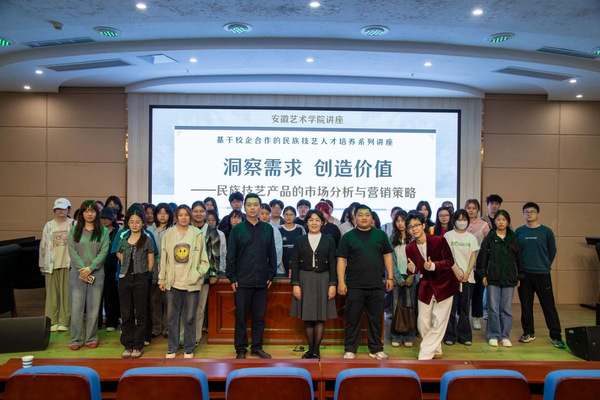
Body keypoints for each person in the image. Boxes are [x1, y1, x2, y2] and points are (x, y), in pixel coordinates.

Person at [336, 204, 394, 360]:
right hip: (355, 285)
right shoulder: (348, 237)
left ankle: (376, 349)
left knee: (376, 319)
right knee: (352, 319)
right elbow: (341, 260)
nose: (364, 218)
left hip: (376, 284)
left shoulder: (380, 235)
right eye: (360, 215)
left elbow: (387, 255)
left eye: (367, 215)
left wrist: (390, 277)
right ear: (354, 217)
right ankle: (350, 349)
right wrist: (341, 281)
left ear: (371, 217)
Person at [226, 193, 277, 359]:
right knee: (241, 317)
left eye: (256, 205)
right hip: (242, 281)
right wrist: (232, 278)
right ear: (244, 207)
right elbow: (230, 256)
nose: (253, 208)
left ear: (260, 207)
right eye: (249, 205)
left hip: (262, 280)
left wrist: (271, 274)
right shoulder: (237, 230)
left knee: (259, 317)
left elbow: (272, 254)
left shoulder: (267, 229)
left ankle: (257, 347)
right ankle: (241, 349)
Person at [405, 211, 458, 360]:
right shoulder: (410, 248)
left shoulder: (439, 240)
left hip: (444, 284)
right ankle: (436, 349)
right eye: (410, 227)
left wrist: (434, 265)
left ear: (423, 225)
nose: (414, 229)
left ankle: (425, 354)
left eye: (416, 225)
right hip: (426, 285)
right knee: (422, 322)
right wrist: (412, 269)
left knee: (439, 320)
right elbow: (414, 269)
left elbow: (449, 261)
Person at [158, 205, 209, 359]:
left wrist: (196, 274)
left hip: (191, 283)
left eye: (186, 215)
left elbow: (204, 261)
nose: (183, 217)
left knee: (190, 317)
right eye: (180, 215)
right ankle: (172, 348)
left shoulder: (197, 234)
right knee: (172, 318)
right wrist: (162, 278)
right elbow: (164, 258)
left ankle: (189, 348)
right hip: (172, 281)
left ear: (190, 216)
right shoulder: (169, 234)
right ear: (176, 217)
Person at [516, 202, 566, 349]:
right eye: (527, 212)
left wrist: (545, 264)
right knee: (526, 305)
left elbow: (552, 251)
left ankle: (556, 336)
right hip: (525, 274)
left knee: (548, 305)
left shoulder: (546, 232)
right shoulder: (519, 232)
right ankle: (528, 332)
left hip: (542, 273)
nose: (529, 214)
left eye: (532, 212)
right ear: (523, 214)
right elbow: (516, 253)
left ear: (538, 214)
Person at [290, 209, 338, 359]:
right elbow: (295, 264)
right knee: (308, 316)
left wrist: (333, 284)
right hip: (305, 279)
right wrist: (295, 284)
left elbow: (333, 263)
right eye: (311, 220)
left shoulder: (329, 240)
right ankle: (310, 349)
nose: (314, 223)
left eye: (317, 220)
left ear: (322, 223)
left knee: (320, 317)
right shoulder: (300, 240)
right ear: (306, 222)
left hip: (324, 279)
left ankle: (316, 350)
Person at [477, 210, 524, 347]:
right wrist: (483, 274)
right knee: (493, 308)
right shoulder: (490, 238)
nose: (501, 222)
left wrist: (519, 276)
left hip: (509, 277)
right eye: (498, 220)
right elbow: (482, 258)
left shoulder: (513, 238)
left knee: (506, 309)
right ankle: (493, 335)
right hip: (493, 277)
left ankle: (505, 335)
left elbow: (519, 259)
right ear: (495, 222)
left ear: (508, 222)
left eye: (504, 220)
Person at [67, 201, 110, 350]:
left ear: (97, 213)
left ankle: (91, 338)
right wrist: (82, 269)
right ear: (82, 213)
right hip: (77, 273)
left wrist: (90, 268)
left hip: (96, 273)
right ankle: (75, 339)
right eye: (86, 211)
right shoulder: (74, 230)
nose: (90, 214)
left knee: (94, 307)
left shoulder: (103, 231)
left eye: (93, 211)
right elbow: (72, 251)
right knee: (76, 307)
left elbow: (104, 252)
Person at [116, 207, 155, 358]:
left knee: (140, 313)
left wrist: (144, 273)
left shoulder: (147, 239)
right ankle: (128, 344)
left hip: (141, 279)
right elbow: (118, 252)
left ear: (143, 223)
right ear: (128, 223)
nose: (134, 224)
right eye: (131, 222)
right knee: (126, 313)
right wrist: (126, 264)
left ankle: (138, 345)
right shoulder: (123, 239)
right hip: (124, 278)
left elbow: (151, 262)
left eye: (137, 222)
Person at [442, 209, 479, 346]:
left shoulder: (471, 238)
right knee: (450, 308)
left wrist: (467, 273)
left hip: (467, 278)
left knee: (464, 308)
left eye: (464, 220)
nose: (462, 222)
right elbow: (446, 256)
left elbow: (473, 257)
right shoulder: (448, 236)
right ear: (454, 221)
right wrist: (456, 271)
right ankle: (450, 335)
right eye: (459, 219)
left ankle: (464, 335)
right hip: (450, 277)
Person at [39, 198, 74, 332]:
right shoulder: (49, 225)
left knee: (66, 295)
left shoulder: (73, 224)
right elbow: (43, 246)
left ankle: (64, 321)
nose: (60, 211)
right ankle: (51, 321)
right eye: (58, 209)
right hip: (51, 265)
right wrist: (42, 263)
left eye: (63, 209)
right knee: (51, 296)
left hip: (68, 265)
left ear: (68, 210)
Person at [190, 201, 221, 345]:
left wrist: (214, 273)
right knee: (186, 307)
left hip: (205, 275)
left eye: (201, 211)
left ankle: (195, 337)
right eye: (195, 211)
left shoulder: (211, 230)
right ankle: (184, 335)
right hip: (186, 275)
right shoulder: (186, 228)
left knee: (200, 307)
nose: (198, 214)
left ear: (206, 213)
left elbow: (215, 254)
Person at [390, 210, 416, 347]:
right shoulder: (392, 238)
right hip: (396, 277)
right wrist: (398, 277)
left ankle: (409, 335)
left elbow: (418, 259)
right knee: (396, 306)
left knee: (410, 306)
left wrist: (412, 275)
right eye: (397, 221)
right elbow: (390, 260)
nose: (400, 224)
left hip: (411, 276)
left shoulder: (414, 238)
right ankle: (396, 335)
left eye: (403, 221)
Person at [147, 202, 173, 339]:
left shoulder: (173, 230)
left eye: (165, 213)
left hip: (169, 271)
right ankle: (156, 328)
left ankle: (167, 328)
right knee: (154, 302)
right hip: (152, 271)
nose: (162, 216)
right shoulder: (148, 230)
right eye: (159, 213)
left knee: (169, 302)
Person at [465, 198, 490, 331]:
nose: (471, 210)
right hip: (463, 265)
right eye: (469, 208)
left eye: (474, 208)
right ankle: (462, 317)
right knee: (464, 294)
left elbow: (487, 246)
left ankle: (476, 318)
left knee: (477, 293)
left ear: (478, 210)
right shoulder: (460, 223)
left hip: (478, 265)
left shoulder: (484, 225)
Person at [100, 207, 120, 332]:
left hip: (111, 269)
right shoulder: (96, 232)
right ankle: (97, 322)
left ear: (112, 219)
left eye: (107, 218)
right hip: (95, 268)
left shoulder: (117, 232)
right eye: (102, 218)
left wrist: (106, 266)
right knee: (96, 297)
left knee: (111, 296)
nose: (104, 220)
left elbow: (116, 252)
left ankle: (112, 321)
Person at [278, 206, 306, 275]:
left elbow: (304, 247)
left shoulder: (300, 228)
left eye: (291, 214)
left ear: (295, 216)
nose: (289, 217)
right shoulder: (278, 229)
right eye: (286, 214)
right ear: (283, 215)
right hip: (282, 263)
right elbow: (277, 250)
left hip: (298, 262)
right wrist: (281, 266)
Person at [259, 204, 283, 275]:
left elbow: (278, 250)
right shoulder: (252, 229)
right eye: (262, 213)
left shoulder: (275, 230)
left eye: (267, 214)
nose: (264, 216)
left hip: (271, 267)